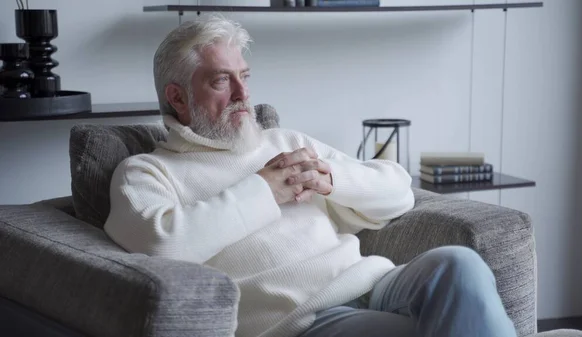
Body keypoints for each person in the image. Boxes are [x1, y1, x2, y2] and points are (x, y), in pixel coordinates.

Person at [103, 15, 517, 337]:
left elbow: (398, 192)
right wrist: (263, 191)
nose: (244, 95)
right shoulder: (146, 172)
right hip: (306, 321)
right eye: (221, 81)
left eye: (244, 77)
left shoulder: (283, 141)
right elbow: (162, 247)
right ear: (178, 96)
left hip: (376, 282)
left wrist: (332, 177)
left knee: (459, 263)